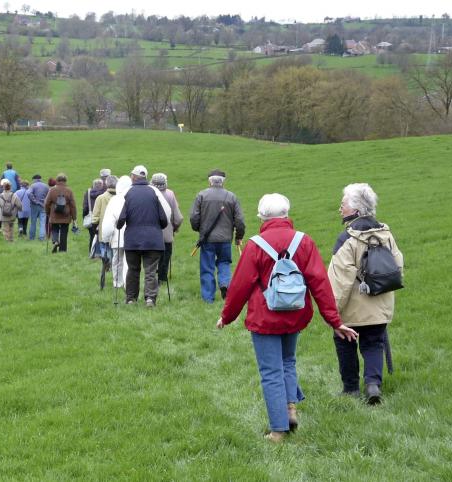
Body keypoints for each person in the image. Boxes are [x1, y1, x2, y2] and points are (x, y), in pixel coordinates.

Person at [216, 193, 358, 443]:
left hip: (264, 317)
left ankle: (278, 431)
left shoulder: (255, 245)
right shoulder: (304, 242)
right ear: (286, 213)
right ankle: (290, 409)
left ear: (262, 216)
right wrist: (334, 321)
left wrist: (227, 316)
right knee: (288, 362)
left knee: (271, 371)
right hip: (295, 313)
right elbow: (320, 284)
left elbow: (239, 287)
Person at [328, 183, 404, 404]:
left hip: (352, 308)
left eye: (343, 204)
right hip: (379, 304)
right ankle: (373, 385)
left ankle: (350, 389)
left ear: (356, 210)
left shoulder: (347, 239)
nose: (340, 209)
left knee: (345, 343)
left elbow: (339, 280)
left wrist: (333, 312)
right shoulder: (386, 234)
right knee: (373, 343)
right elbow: (398, 267)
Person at [116, 166, 171, 307]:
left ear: (134, 177)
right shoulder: (154, 192)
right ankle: (150, 299)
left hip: (133, 240)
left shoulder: (129, 193)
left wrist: (119, 224)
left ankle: (130, 299)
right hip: (153, 240)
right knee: (151, 271)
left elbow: (122, 219)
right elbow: (164, 220)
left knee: (133, 269)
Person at [190, 169, 246, 303]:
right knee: (224, 263)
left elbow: (194, 217)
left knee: (207, 267)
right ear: (223, 181)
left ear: (209, 181)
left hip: (207, 239)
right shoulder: (232, 197)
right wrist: (239, 237)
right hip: (226, 239)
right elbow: (240, 221)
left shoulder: (201, 195)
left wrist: (199, 229)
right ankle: (225, 284)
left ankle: (208, 298)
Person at [151, 173, 184, 284]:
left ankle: (151, 277)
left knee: (151, 257)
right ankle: (162, 278)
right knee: (165, 256)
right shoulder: (170, 194)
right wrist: (174, 228)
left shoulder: (148, 193)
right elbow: (178, 217)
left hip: (150, 234)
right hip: (166, 233)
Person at [101, 176, 132, 289]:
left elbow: (108, 222)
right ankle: (127, 282)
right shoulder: (133, 198)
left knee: (117, 260)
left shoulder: (114, 200)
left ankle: (118, 282)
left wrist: (105, 238)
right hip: (131, 236)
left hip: (117, 236)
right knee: (128, 262)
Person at [44, 173, 77, 253]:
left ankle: (55, 241)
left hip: (54, 215)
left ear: (57, 180)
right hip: (66, 215)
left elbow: (46, 203)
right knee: (64, 232)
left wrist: (48, 212)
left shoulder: (52, 190)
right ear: (65, 180)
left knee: (54, 229)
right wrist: (74, 217)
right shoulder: (69, 190)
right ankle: (62, 249)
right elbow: (73, 205)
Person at [83, 179, 106, 253]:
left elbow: (85, 207)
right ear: (102, 185)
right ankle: (101, 252)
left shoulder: (88, 192)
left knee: (92, 236)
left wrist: (84, 216)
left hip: (92, 217)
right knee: (102, 236)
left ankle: (92, 252)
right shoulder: (105, 194)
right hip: (102, 217)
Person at [27, 174, 49, 241]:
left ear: (34, 179)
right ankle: (41, 237)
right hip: (43, 206)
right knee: (43, 222)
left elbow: (28, 193)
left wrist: (35, 201)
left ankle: (31, 237)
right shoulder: (46, 186)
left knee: (33, 222)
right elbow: (49, 195)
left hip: (34, 206)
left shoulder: (33, 185)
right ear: (40, 178)